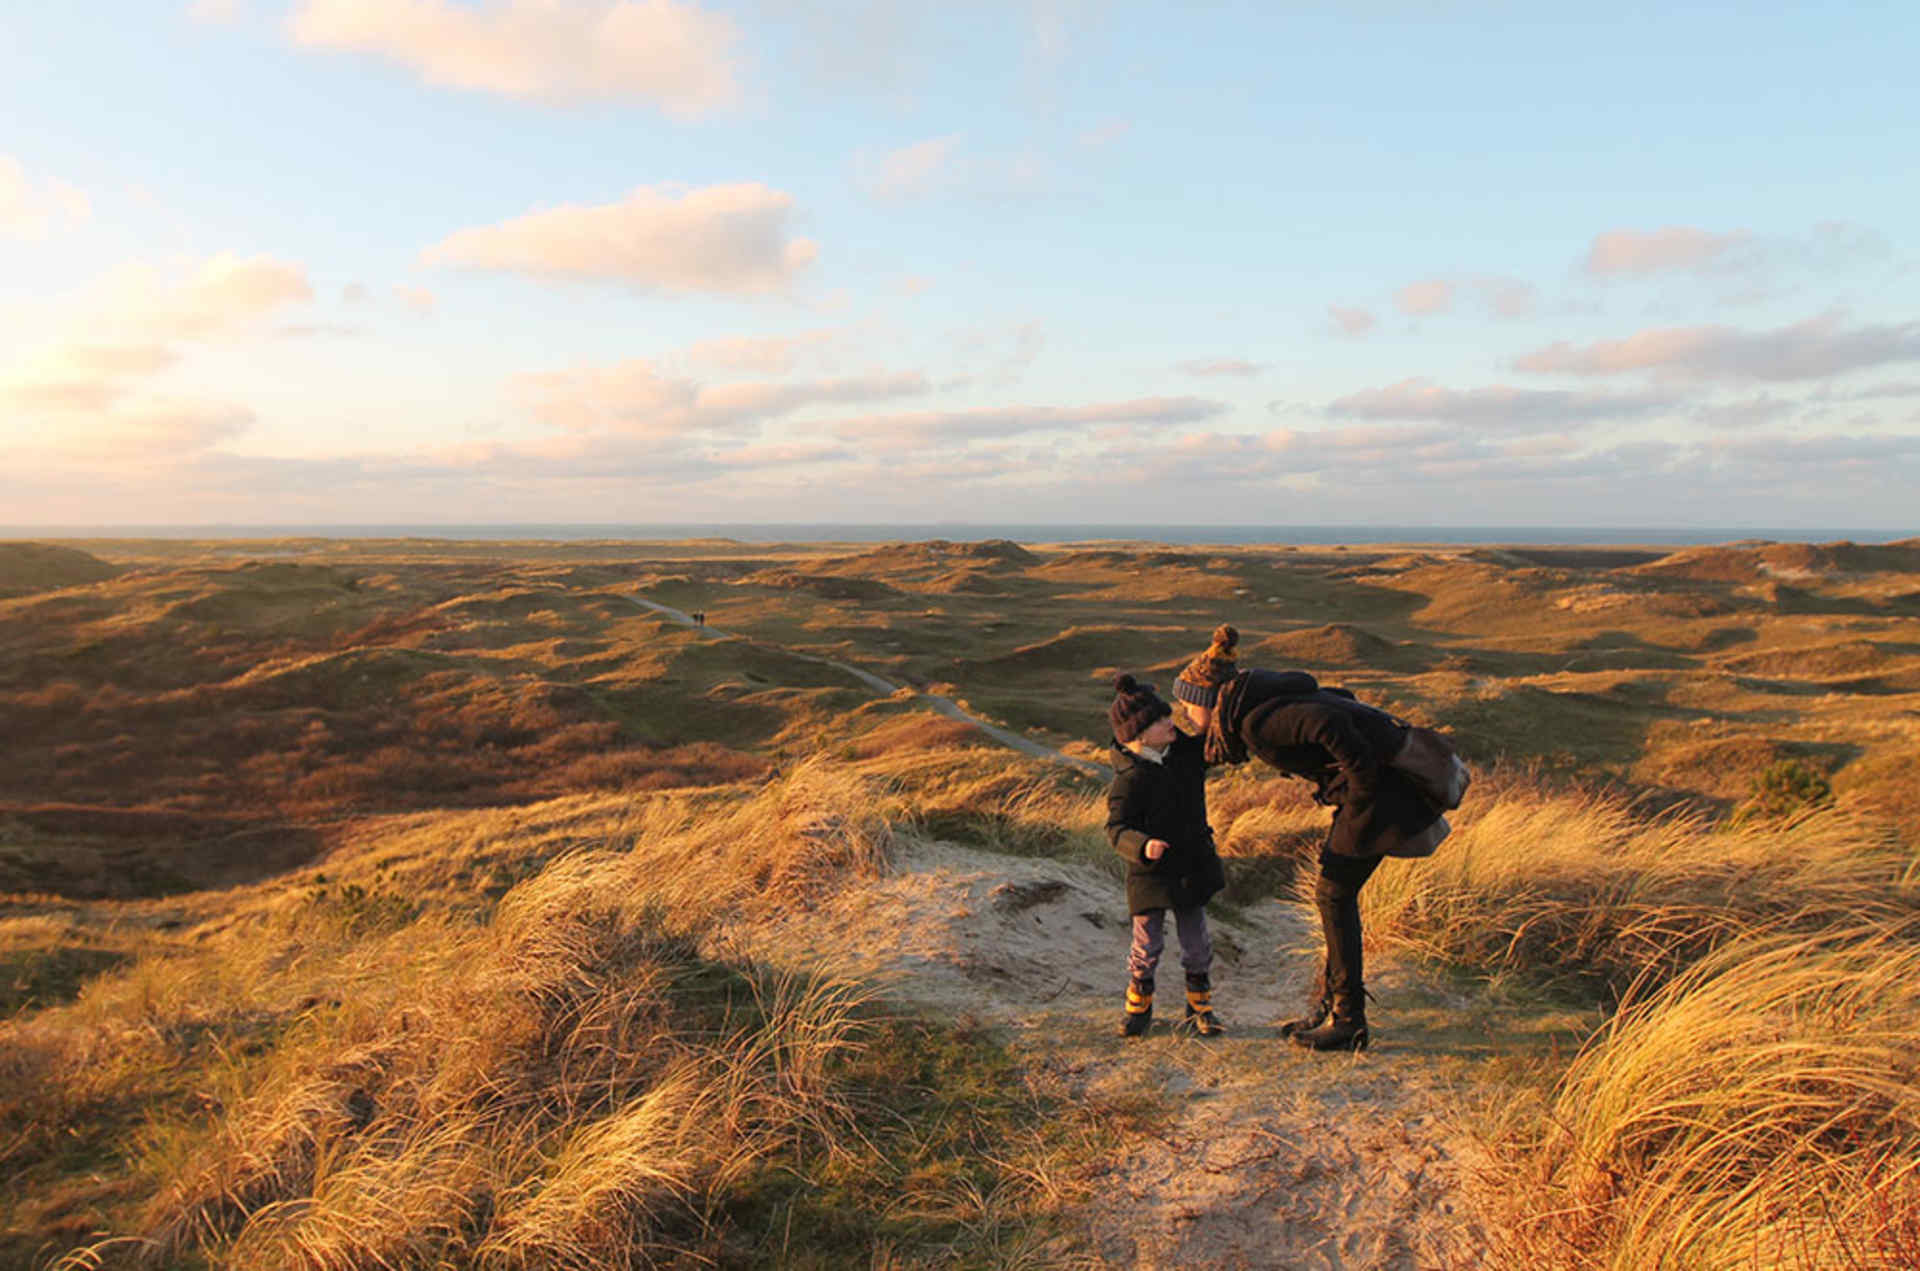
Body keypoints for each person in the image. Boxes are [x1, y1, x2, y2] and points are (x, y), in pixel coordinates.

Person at [1174, 625, 1448, 1053]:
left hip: (1380, 798)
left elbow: (1330, 720)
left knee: (1333, 896)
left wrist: (1357, 791)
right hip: (1375, 794)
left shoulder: (1257, 721)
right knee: (1334, 895)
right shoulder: (1258, 702)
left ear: (1209, 702)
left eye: (1187, 704)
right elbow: (1340, 698)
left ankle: (1347, 1020)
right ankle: (1334, 1008)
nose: (1186, 714)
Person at [1105, 673, 1227, 1038]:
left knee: (1196, 943)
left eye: (1168, 716)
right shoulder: (1128, 779)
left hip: (1192, 865)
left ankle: (1200, 1008)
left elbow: (1212, 742)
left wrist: (1204, 699)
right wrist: (1142, 846)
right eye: (1160, 720)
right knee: (1146, 945)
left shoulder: (1186, 755)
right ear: (1139, 734)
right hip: (1150, 873)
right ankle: (1138, 1009)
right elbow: (1116, 829)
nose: (1169, 722)